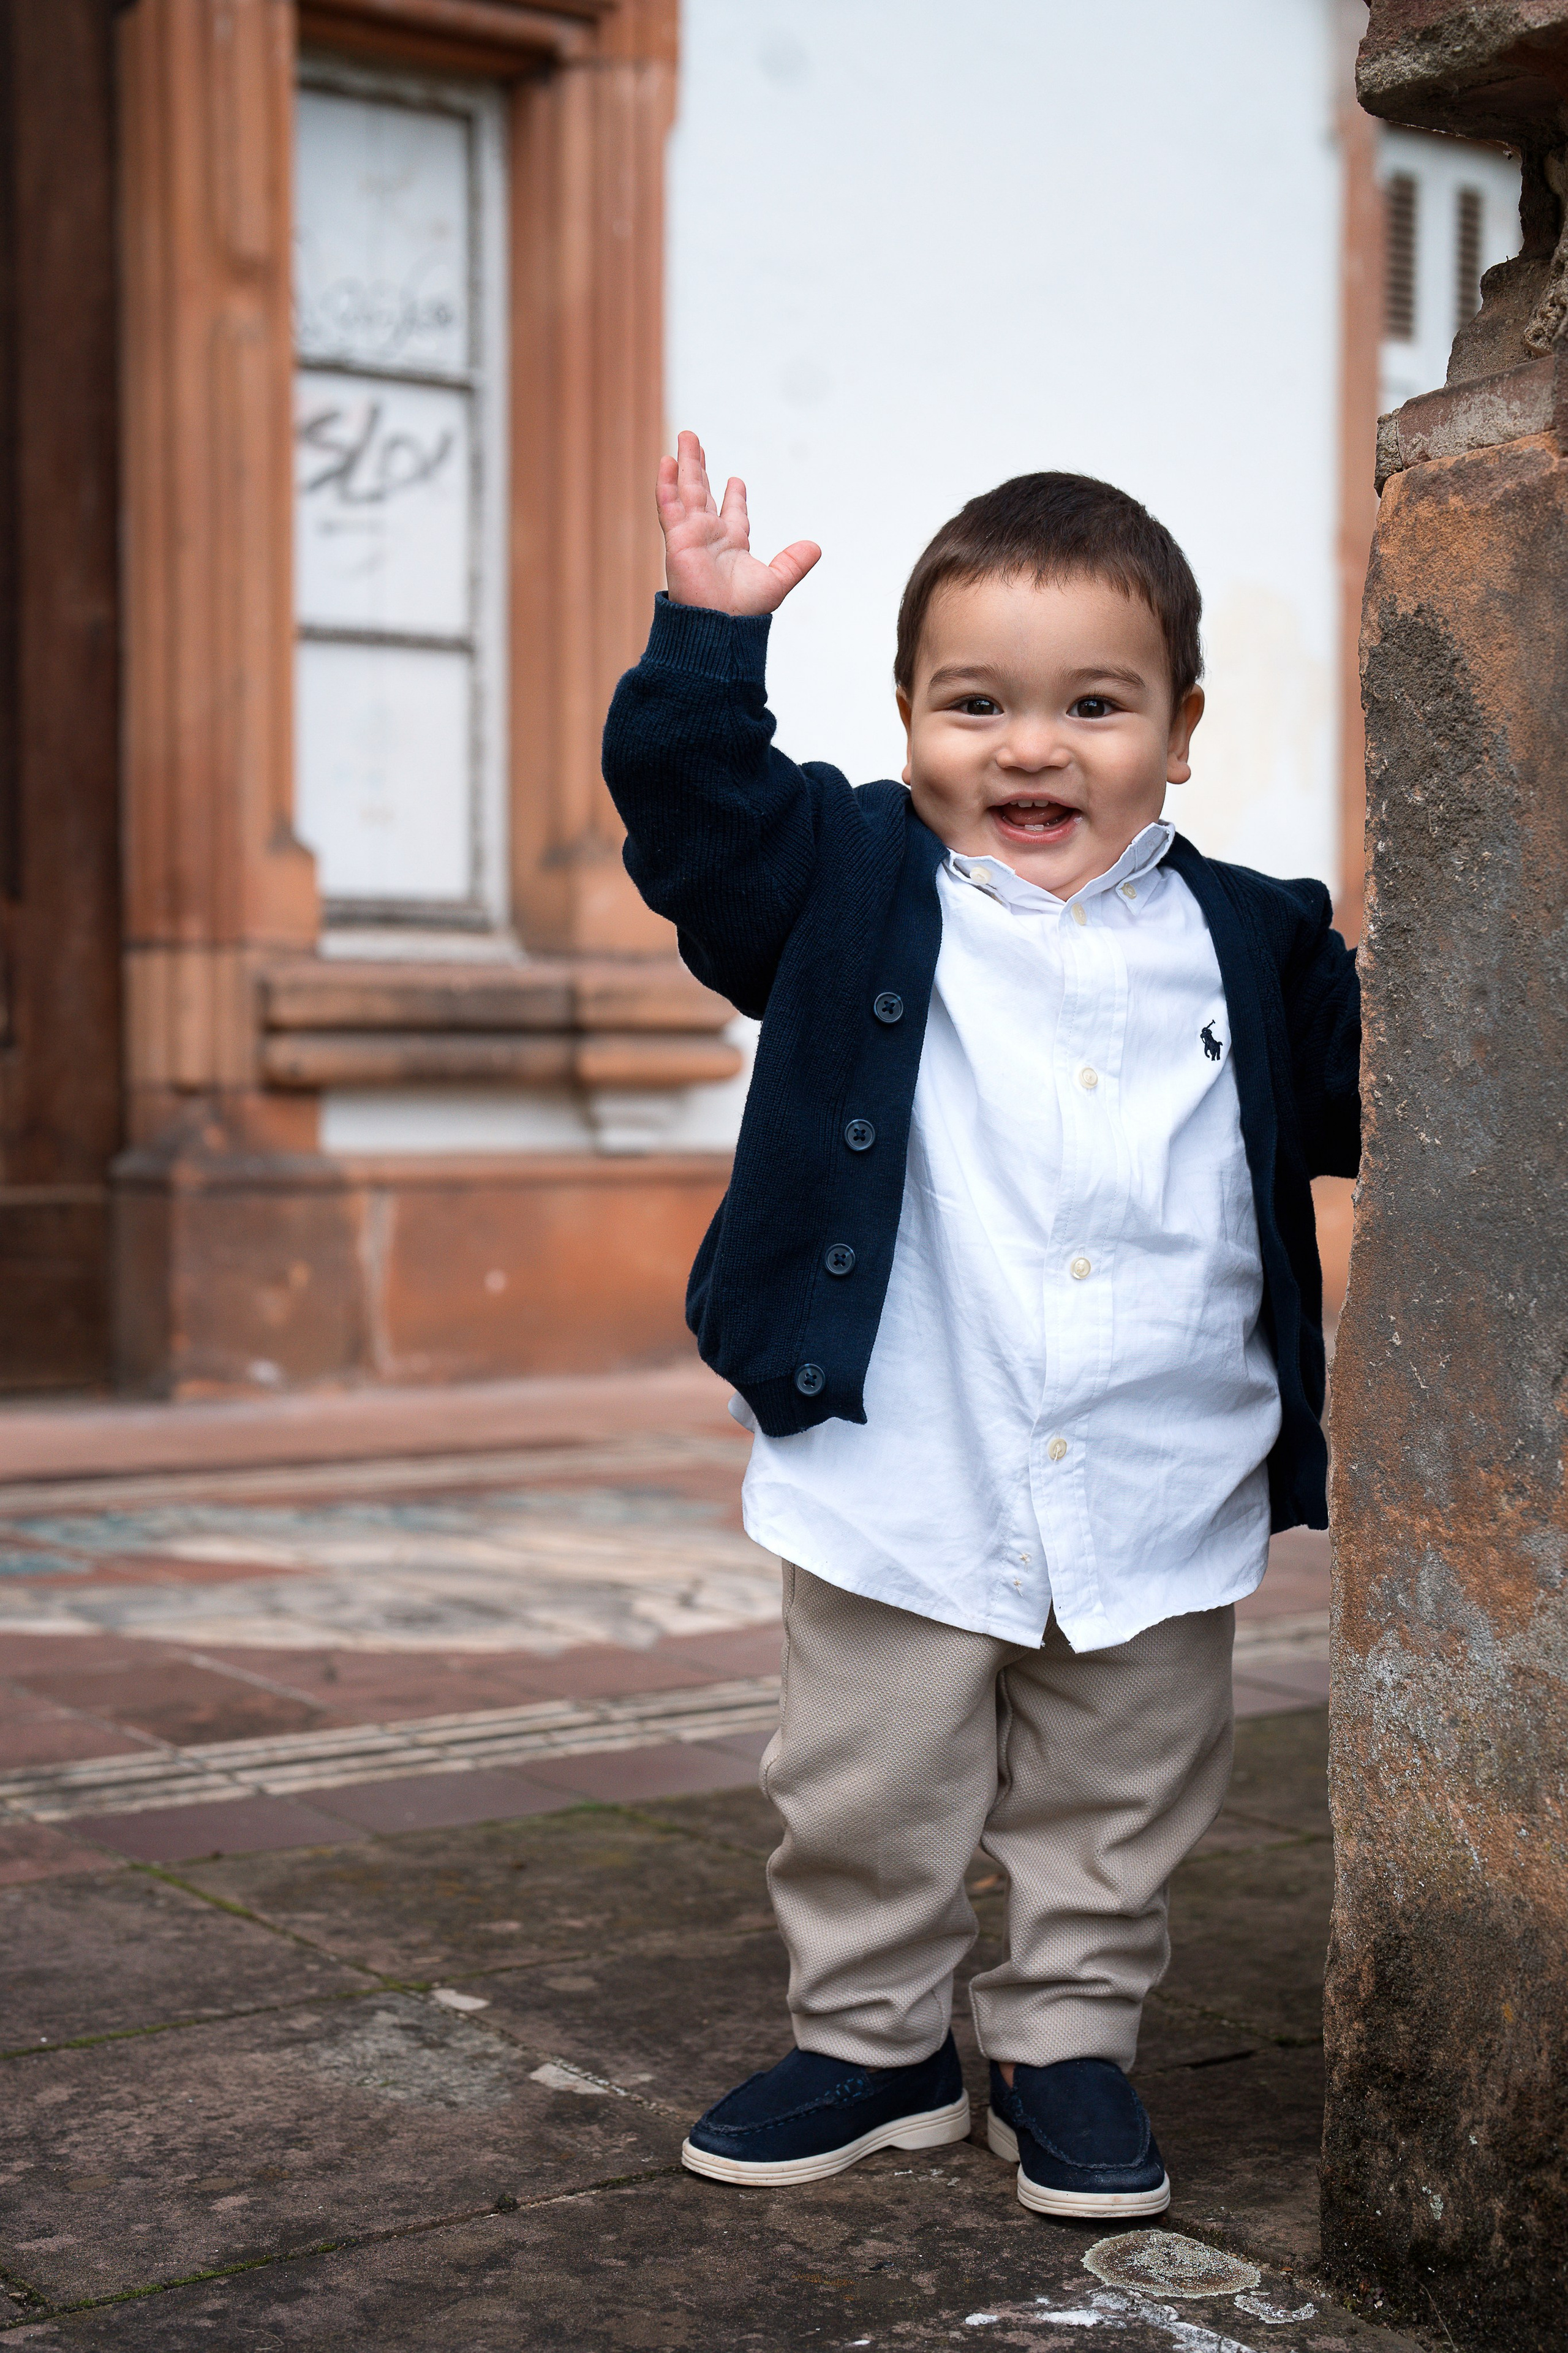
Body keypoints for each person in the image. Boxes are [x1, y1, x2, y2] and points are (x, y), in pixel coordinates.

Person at [601, 433, 1360, 2218]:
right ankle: (876, 2043)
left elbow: (1385, 1089)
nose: (1031, 746)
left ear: (1182, 727)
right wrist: (705, 648)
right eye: (975, 704)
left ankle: (1066, 2044)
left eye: (1094, 704)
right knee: (868, 1775)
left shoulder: (1256, 939)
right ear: (907, 718)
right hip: (905, 1457)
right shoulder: (850, 884)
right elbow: (695, 822)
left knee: (1121, 1792)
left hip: (1164, 1467)